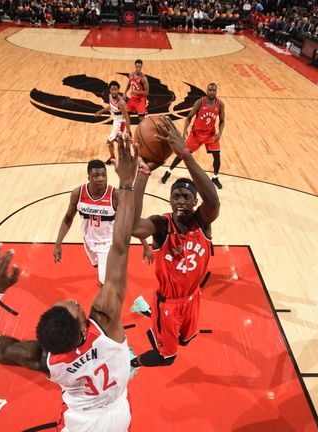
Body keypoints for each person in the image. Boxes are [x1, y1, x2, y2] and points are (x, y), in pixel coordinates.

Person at [0, 136, 148, 431]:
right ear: (83, 327)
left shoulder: (42, 359)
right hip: (120, 414)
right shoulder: (107, 324)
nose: (78, 302)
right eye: (77, 307)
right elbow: (120, 247)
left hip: (80, 423)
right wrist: (128, 184)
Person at [130, 116, 221, 369]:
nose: (180, 200)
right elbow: (135, 227)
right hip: (168, 303)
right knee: (166, 358)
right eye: (176, 196)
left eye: (186, 197)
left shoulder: (202, 221)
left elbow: (213, 201)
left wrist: (185, 154)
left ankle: (144, 310)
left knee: (185, 341)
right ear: (170, 201)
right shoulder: (161, 225)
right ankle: (131, 362)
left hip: (193, 298)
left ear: (194, 202)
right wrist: (144, 173)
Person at [53, 158, 153, 285]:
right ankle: (102, 267)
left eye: (104, 175)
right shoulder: (78, 194)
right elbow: (68, 218)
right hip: (89, 239)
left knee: (105, 283)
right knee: (95, 264)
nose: (101, 179)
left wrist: (145, 246)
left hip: (109, 243)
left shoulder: (114, 195)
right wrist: (58, 244)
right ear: (88, 177)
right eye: (96, 176)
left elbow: (131, 222)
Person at [160, 83, 226, 189]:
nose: (212, 92)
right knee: (183, 153)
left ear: (216, 91)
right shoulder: (200, 103)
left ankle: (215, 177)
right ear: (207, 90)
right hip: (196, 134)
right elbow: (189, 117)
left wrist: (220, 133)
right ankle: (169, 171)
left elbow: (222, 121)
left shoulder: (220, 104)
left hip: (210, 134)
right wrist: (185, 130)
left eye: (214, 90)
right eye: (210, 90)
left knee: (217, 156)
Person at [95, 81, 131, 165]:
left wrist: (128, 131)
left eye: (116, 89)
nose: (114, 91)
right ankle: (118, 158)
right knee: (119, 143)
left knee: (110, 141)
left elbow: (126, 117)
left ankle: (120, 159)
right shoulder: (110, 96)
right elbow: (110, 107)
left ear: (118, 90)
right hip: (116, 122)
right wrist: (101, 111)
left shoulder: (121, 102)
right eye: (112, 89)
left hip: (121, 124)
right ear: (110, 90)